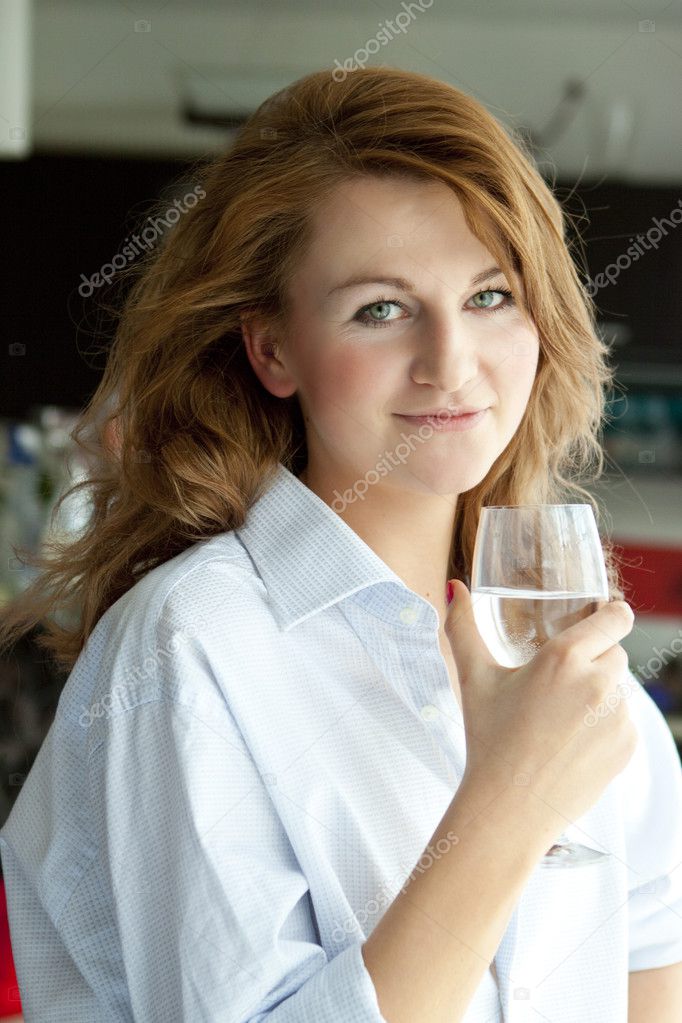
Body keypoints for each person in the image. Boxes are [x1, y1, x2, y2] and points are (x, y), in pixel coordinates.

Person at [0, 65, 680, 1022]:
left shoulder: (577, 669)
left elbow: (649, 979)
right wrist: (514, 797)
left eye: (490, 296)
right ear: (272, 349)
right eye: (382, 308)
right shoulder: (190, 646)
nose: (452, 362)